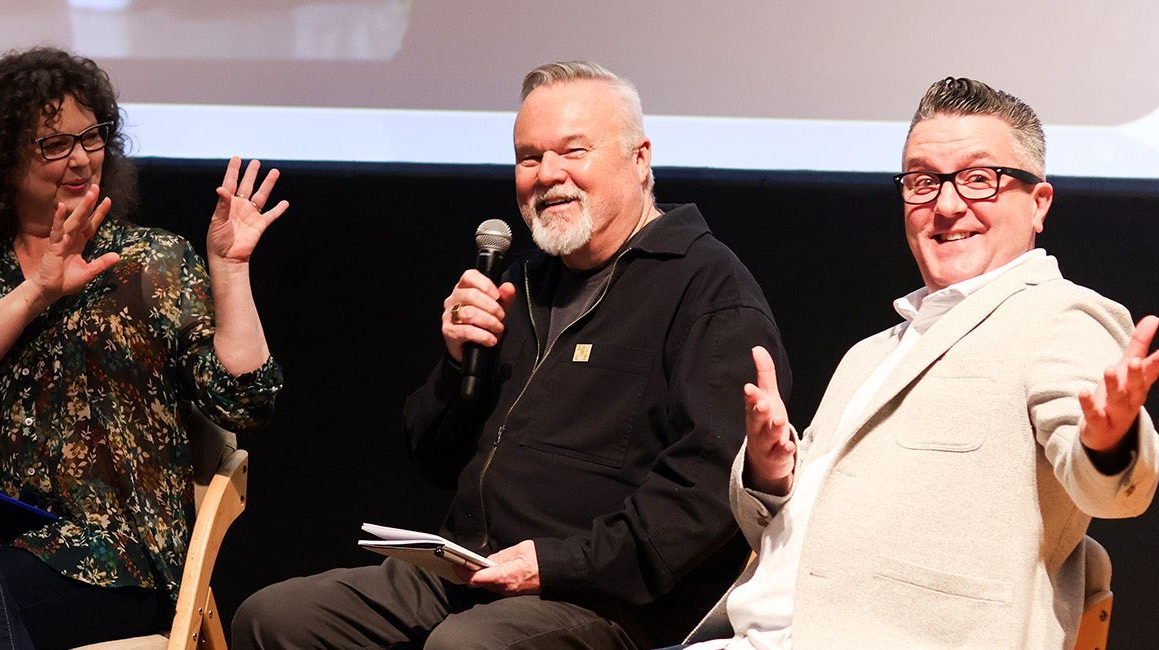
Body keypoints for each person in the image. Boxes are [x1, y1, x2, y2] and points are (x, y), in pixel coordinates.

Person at [232, 61, 790, 649]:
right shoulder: (520, 283)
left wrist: (556, 563)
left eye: (573, 152)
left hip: (605, 599)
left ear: (640, 158)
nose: (548, 176)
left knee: (466, 647)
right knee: (273, 618)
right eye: (528, 158)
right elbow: (433, 458)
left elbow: (708, 490)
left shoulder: (708, 290)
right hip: (469, 571)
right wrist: (454, 364)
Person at [685, 78, 1159, 648]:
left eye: (978, 178)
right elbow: (774, 529)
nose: (945, 205)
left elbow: (1112, 493)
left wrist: (1107, 440)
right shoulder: (871, 353)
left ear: (1038, 203)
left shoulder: (1058, 315)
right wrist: (772, 475)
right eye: (922, 181)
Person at [0, 47, 286, 649]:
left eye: (91, 137)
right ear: (0, 159)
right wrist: (35, 290)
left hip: (112, 555)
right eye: (52, 143)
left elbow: (244, 402)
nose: (80, 159)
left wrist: (229, 269)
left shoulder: (153, 261)